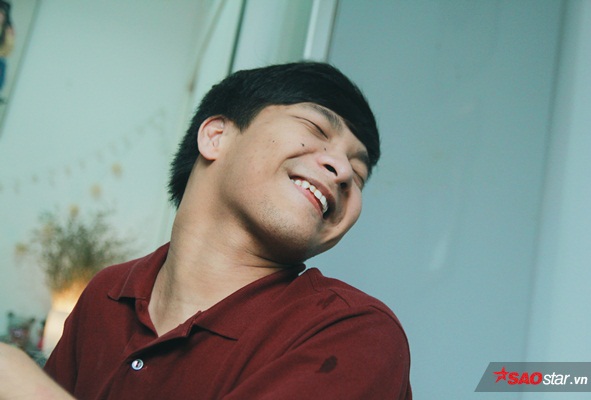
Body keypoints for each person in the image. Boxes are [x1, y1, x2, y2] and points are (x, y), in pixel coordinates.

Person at [2, 61, 411, 399]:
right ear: (216, 137)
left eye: (358, 174)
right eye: (316, 130)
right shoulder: (106, 294)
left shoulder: (357, 333)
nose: (342, 172)